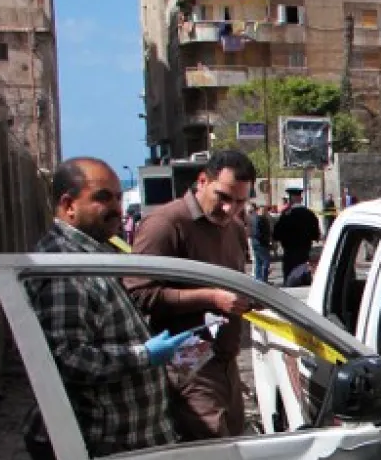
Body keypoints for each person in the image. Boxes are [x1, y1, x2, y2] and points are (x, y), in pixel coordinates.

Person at [24, 158, 191, 460]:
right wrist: (143, 356)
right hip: (99, 446)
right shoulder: (64, 270)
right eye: (102, 198)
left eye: (117, 196)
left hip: (120, 445)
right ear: (67, 205)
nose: (115, 207)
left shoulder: (91, 254)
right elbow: (66, 359)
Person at [129, 149, 256, 440]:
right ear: (202, 181)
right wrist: (210, 297)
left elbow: (234, 283)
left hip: (226, 362)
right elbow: (138, 294)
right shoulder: (165, 224)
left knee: (236, 450)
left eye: (239, 201)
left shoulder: (235, 228)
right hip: (187, 366)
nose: (229, 209)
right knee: (211, 456)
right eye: (223, 197)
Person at [273, 190, 320, 282]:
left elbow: (277, 234)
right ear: (301, 199)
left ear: (291, 199)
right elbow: (315, 234)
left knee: (290, 278)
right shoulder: (309, 214)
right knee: (304, 275)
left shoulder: (286, 215)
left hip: (289, 251)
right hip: (304, 251)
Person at [249, 202, 273, 284]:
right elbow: (257, 233)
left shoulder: (255, 218)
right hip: (261, 243)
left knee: (258, 262)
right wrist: (266, 240)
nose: (265, 212)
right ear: (258, 210)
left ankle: (258, 279)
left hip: (256, 243)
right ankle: (263, 280)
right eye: (263, 210)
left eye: (265, 210)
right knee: (265, 262)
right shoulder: (258, 219)